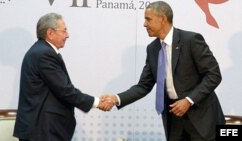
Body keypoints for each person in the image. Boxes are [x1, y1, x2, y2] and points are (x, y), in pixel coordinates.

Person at [101, 1, 225, 141]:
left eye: (148, 19)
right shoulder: (153, 49)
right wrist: (115, 99)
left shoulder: (191, 40)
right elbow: (143, 86)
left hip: (202, 118)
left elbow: (213, 75)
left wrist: (189, 100)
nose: (144, 24)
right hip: (174, 118)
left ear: (162, 19)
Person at [13, 13, 112, 141]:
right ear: (50, 33)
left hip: (43, 130)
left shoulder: (41, 51)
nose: (68, 35)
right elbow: (65, 90)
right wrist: (97, 102)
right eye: (64, 30)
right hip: (42, 132)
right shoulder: (44, 54)